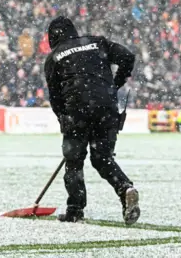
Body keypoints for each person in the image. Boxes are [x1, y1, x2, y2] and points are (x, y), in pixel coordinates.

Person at [44, 16, 140, 225]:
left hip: (76, 109)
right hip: (106, 109)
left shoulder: (54, 58)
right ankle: (125, 189)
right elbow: (127, 57)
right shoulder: (97, 42)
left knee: (74, 162)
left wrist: (64, 119)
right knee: (102, 158)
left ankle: (75, 209)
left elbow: (55, 98)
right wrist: (116, 82)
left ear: (52, 37)